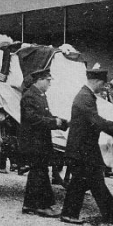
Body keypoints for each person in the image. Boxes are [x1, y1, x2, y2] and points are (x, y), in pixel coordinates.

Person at [60, 68, 113, 225]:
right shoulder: (85, 97)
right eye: (103, 84)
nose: (103, 87)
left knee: (96, 179)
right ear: (98, 82)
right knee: (79, 180)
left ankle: (111, 212)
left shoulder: (86, 95)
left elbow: (97, 119)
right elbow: (96, 120)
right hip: (81, 148)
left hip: (86, 147)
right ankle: (68, 214)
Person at [19, 69, 68, 217]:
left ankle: (29, 205)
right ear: (39, 80)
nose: (49, 84)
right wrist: (54, 122)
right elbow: (32, 119)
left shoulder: (40, 95)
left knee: (37, 172)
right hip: (32, 142)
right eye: (48, 81)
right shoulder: (29, 96)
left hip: (40, 141)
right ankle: (42, 206)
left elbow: (45, 116)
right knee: (39, 172)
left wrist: (61, 122)